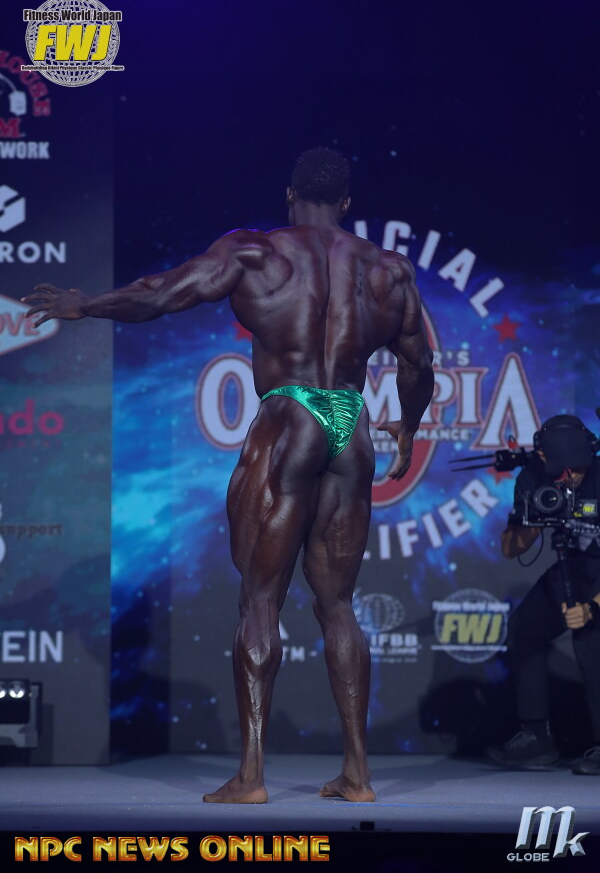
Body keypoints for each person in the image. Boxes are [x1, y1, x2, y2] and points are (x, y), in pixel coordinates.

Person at [21, 148, 434, 803]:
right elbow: (418, 367)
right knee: (338, 606)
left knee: (260, 599)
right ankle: (358, 774)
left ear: (290, 195)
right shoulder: (388, 271)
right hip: (350, 423)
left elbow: (163, 293)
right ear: (347, 203)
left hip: (290, 414)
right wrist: (407, 427)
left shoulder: (256, 253)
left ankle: (251, 776)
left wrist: (87, 304)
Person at [487, 415, 600, 774]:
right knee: (526, 626)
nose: (572, 476)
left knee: (590, 638)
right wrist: (534, 520)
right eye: (563, 470)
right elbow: (510, 548)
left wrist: (593, 607)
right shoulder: (534, 477)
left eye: (579, 468)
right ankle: (536, 736)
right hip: (572, 566)